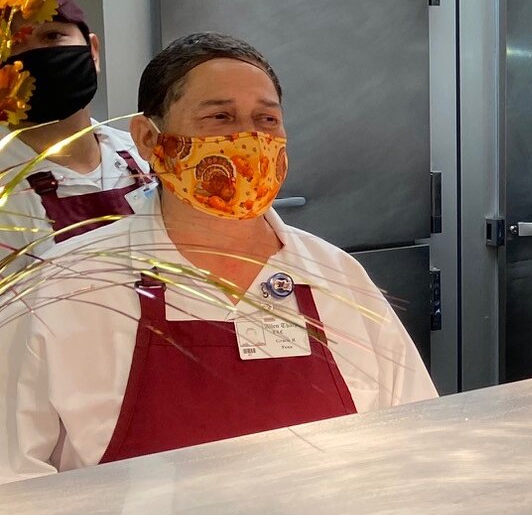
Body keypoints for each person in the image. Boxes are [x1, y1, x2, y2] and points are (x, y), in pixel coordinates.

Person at [1, 33, 436, 476]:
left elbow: (412, 443)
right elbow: (12, 485)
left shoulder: (336, 276)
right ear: (149, 139)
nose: (248, 140)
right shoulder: (65, 289)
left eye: (266, 120)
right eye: (219, 117)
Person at [0, 0, 152, 254]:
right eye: (10, 46)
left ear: (93, 52)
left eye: (52, 36)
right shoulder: (5, 189)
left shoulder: (148, 157)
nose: (36, 55)